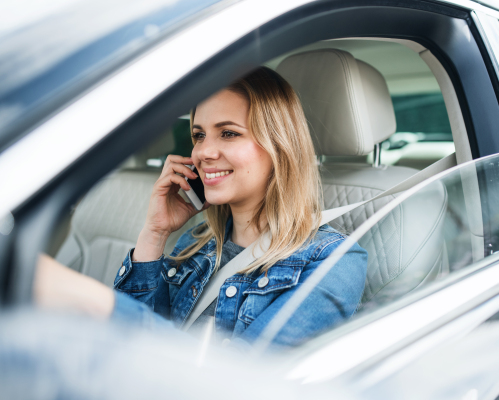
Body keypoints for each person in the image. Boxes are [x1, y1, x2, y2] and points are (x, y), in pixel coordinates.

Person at [35, 67, 368, 348]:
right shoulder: (195, 245)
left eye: (228, 133)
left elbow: (239, 381)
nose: (203, 152)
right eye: (198, 134)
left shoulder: (333, 262)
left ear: (279, 145)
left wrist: (95, 303)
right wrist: (155, 233)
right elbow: (122, 353)